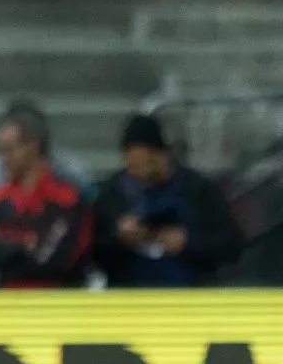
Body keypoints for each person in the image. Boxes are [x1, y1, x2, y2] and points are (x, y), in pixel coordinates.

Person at [93, 114, 243, 287]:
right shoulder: (111, 195)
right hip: (130, 295)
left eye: (150, 163)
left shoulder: (199, 190)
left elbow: (231, 245)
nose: (143, 173)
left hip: (191, 294)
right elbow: (93, 252)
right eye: (134, 165)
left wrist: (188, 242)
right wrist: (119, 237)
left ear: (165, 154)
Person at [0, 105, 93, 288]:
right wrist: (24, 243)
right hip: (4, 307)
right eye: (1, 151)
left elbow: (52, 261)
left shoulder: (67, 200)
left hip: (56, 306)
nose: (3, 159)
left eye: (9, 150)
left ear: (32, 146)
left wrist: (2, 240)